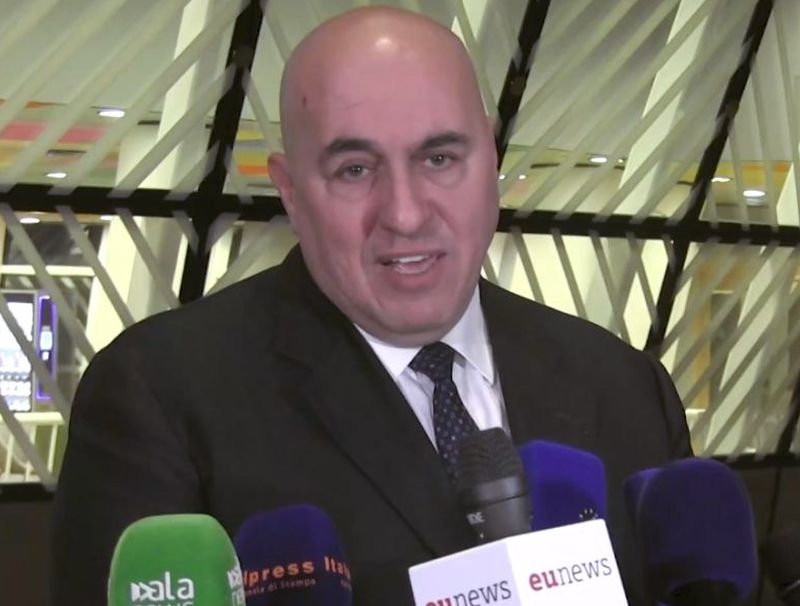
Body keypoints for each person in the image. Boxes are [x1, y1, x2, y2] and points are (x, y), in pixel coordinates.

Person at [52, 7, 691, 605]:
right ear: (291, 192)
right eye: (355, 170)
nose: (405, 215)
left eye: (439, 158)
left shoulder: (627, 388)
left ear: (492, 166)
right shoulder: (160, 394)